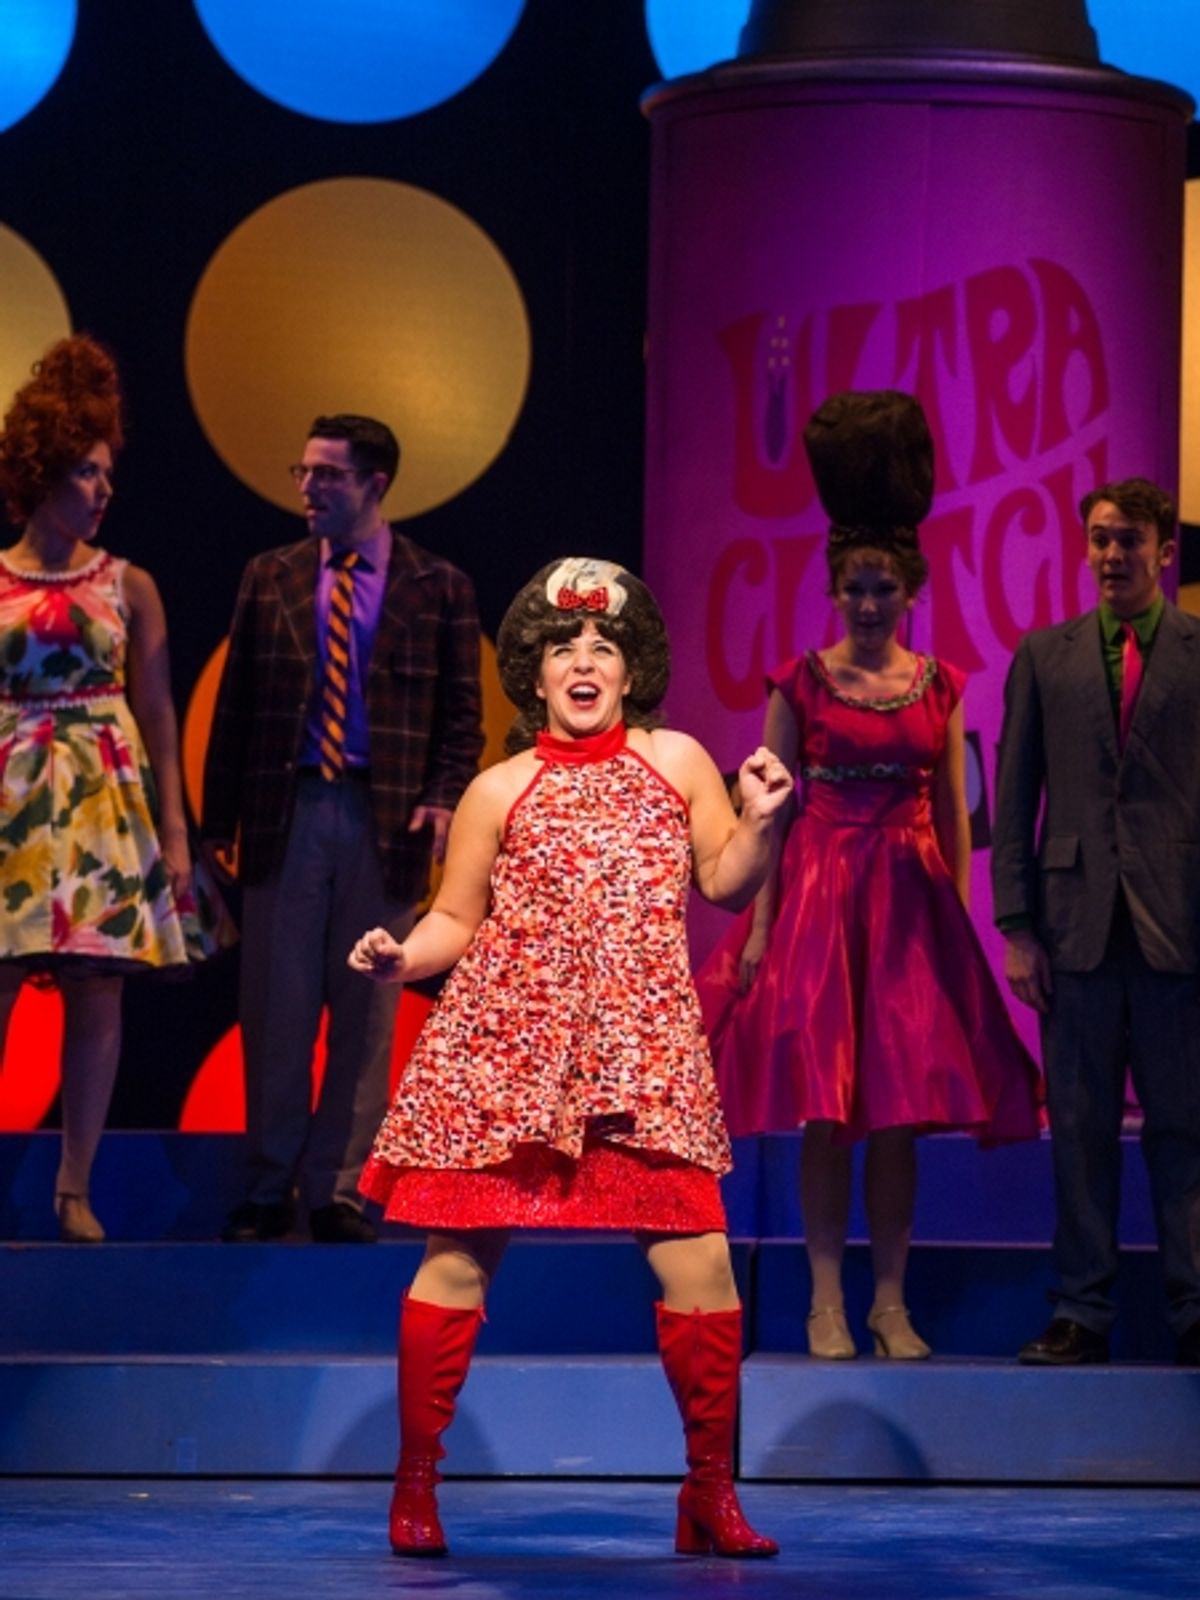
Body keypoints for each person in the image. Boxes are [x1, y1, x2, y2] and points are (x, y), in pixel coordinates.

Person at [349, 557, 792, 1559]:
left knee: (705, 1267)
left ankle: (709, 1494)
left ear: (631, 670)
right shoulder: (499, 786)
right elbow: (453, 918)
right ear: (535, 674)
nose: (583, 662)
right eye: (562, 650)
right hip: (507, 1056)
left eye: (602, 647)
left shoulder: (677, 760)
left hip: (641, 1061)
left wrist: (764, 821)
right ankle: (414, 1487)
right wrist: (396, 954)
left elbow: (727, 879)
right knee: (455, 1261)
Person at [697, 390, 1040, 1361]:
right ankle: (822, 1300)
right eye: (854, 586)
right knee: (825, 1110)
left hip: (908, 910)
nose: (869, 601)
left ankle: (889, 1300)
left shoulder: (941, 685)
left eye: (884, 586)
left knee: (896, 1119)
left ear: (910, 590)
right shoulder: (796, 683)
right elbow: (767, 812)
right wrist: (760, 932)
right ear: (836, 588)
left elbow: (952, 812)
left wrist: (961, 926)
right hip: (815, 898)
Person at [202, 413, 483, 1245]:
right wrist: (221, 817)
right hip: (288, 807)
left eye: (328, 475)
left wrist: (443, 796)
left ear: (375, 485)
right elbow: (237, 702)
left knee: (366, 1010)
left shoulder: (439, 586)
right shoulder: (272, 575)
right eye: (306, 472)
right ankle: (267, 1182)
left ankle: (340, 1190)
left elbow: (460, 717)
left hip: (381, 811)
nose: (310, 489)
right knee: (276, 1004)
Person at [0, 334, 211, 1241]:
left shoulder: (133, 585)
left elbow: (159, 713)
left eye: (107, 471)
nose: (103, 489)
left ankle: (74, 1186)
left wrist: (173, 829)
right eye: (86, 472)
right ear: (45, 474)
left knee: (100, 991)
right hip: (11, 792)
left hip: (102, 798)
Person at [993, 476, 1200, 1367]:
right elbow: (1014, 799)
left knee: (1185, 1129)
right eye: (1101, 539)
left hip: (1178, 927)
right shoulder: (1047, 656)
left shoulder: (1197, 652)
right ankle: (1082, 1311)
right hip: (1074, 928)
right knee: (1077, 1130)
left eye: (1130, 540)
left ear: (1165, 550)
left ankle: (1194, 1308)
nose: (1114, 555)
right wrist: (1015, 924)